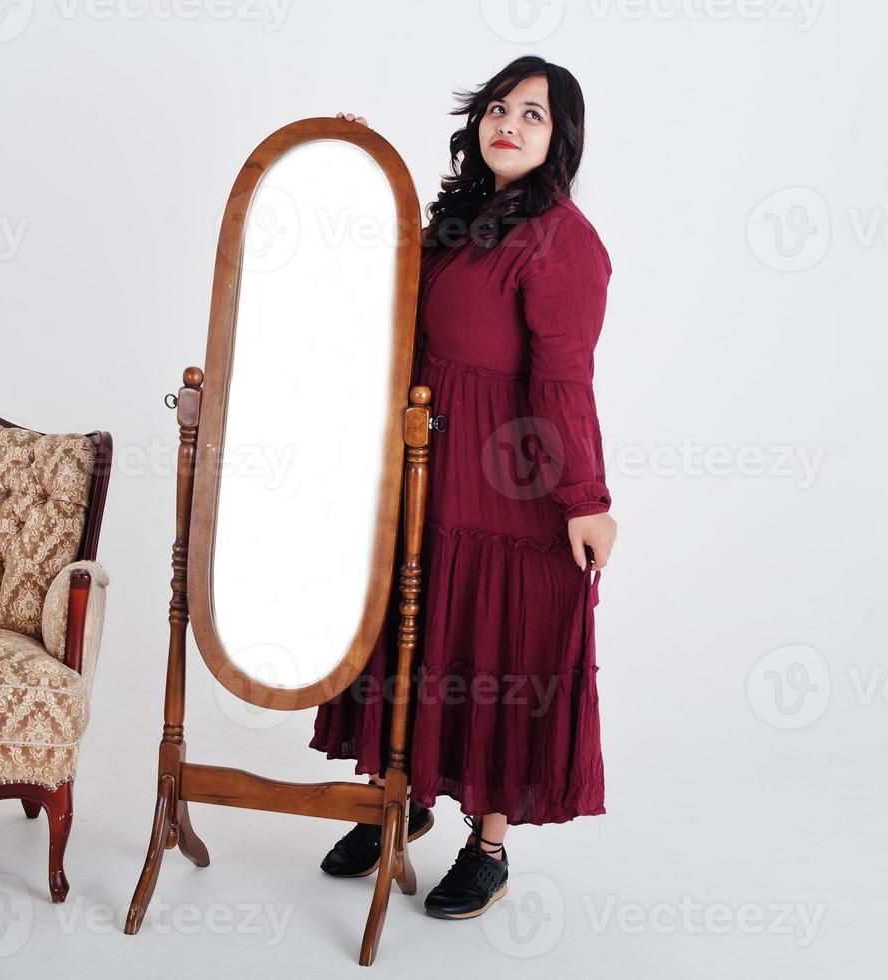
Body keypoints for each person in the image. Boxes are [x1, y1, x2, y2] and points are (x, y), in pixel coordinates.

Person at [309, 54, 617, 920]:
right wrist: (349, 161)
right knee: (413, 637)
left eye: (532, 114)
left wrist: (585, 500)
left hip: (509, 495)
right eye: (496, 107)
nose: (507, 124)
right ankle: (398, 799)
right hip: (424, 475)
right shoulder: (459, 218)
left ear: (562, 140)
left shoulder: (564, 241)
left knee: (492, 657)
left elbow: (563, 381)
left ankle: (487, 847)